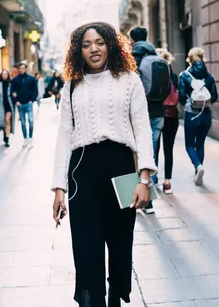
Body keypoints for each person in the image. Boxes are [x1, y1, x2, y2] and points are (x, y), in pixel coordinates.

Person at [52, 22, 156, 307]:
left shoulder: (129, 79)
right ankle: (92, 301)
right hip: (82, 173)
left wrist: (144, 179)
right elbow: (63, 137)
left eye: (99, 42)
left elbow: (142, 129)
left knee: (120, 244)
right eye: (86, 45)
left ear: (110, 44)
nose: (93, 49)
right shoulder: (71, 86)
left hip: (121, 168)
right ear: (78, 51)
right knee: (86, 246)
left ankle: (115, 300)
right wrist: (59, 188)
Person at [129, 26, 171, 214]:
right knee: (152, 152)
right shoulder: (157, 57)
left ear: (132, 40)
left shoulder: (134, 58)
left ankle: (145, 200)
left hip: (141, 113)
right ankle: (148, 199)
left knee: (138, 155)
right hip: (159, 111)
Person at [178, 47, 218, 185]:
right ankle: (197, 173)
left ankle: (198, 166)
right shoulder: (209, 77)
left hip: (192, 115)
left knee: (190, 144)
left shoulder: (184, 75)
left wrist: (190, 103)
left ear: (189, 59)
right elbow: (215, 96)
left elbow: (181, 97)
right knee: (200, 144)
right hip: (206, 115)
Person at [155, 49, 180, 194]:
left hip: (158, 114)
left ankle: (154, 178)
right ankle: (168, 182)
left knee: (155, 149)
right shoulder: (174, 77)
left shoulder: (156, 77)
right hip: (172, 115)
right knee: (168, 149)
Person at [11, 62, 38, 148]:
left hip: (29, 103)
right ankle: (25, 139)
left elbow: (35, 91)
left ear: (26, 69)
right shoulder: (15, 80)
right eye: (20, 68)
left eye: (23, 68)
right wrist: (16, 101)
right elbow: (12, 91)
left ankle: (30, 138)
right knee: (23, 123)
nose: (21, 70)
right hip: (20, 104)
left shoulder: (31, 79)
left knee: (31, 121)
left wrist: (32, 100)